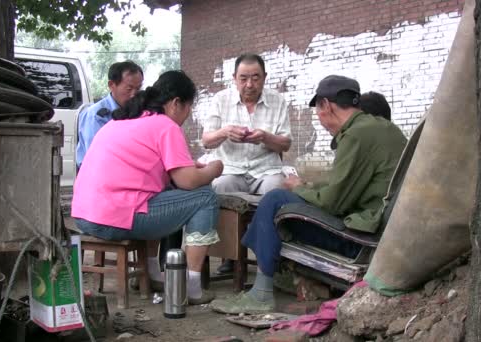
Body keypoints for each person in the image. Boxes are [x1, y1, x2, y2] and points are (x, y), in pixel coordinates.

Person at [210, 75, 407, 314]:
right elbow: (347, 186)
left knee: (273, 200)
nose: (320, 119)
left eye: (318, 111)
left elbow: (333, 203)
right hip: (386, 231)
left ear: (326, 105)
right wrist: (307, 186)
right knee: (279, 201)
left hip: (361, 239)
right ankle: (272, 277)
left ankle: (260, 294)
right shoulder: (383, 128)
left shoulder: (355, 136)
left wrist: (298, 187)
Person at [71, 70, 223, 304]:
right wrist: (215, 168)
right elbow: (187, 181)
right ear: (175, 104)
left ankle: (153, 273)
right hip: (113, 218)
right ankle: (192, 287)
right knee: (205, 197)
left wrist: (187, 166)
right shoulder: (165, 125)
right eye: (188, 108)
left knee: (158, 193)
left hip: (83, 215)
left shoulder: (122, 120)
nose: (187, 115)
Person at [202, 53, 292, 274]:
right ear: (234, 78)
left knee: (278, 190)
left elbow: (285, 144)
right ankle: (229, 254)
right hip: (231, 168)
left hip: (266, 170)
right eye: (243, 78)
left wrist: (265, 137)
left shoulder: (277, 101)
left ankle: (271, 255)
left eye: (255, 78)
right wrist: (224, 132)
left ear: (264, 77)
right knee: (220, 187)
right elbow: (206, 141)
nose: (249, 84)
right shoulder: (220, 100)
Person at [76, 60, 143, 171]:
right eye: (129, 88)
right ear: (112, 85)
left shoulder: (137, 112)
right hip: (97, 175)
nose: (133, 95)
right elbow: (97, 157)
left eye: (138, 89)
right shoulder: (96, 116)